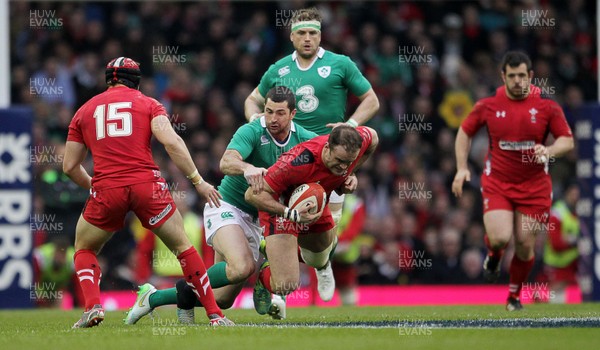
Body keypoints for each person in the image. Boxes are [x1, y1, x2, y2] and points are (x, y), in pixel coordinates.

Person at [63, 57, 232, 327]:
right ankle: (215, 315)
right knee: (183, 248)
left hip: (107, 187)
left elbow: (70, 166)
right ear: (137, 81)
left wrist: (94, 185)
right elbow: (172, 142)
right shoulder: (149, 104)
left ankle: (93, 306)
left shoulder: (84, 111)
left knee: (84, 247)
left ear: (108, 79)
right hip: (147, 186)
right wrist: (197, 180)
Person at [124, 86, 317, 323]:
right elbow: (226, 162)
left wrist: (347, 177)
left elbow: (328, 160)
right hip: (226, 206)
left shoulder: (305, 140)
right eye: (268, 111)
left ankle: (152, 299)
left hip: (256, 219)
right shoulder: (252, 131)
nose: (272, 119)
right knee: (242, 266)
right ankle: (191, 286)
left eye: (279, 113)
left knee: (222, 299)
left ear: (293, 114)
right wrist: (247, 168)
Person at [244, 8, 379, 301]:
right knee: (285, 221)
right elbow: (252, 100)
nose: (308, 38)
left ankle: (322, 264)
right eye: (302, 33)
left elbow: (372, 100)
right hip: (289, 160)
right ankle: (277, 284)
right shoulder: (278, 69)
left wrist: (351, 125)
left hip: (330, 163)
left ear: (321, 35)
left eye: (314, 33)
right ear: (292, 36)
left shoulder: (340, 64)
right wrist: (258, 125)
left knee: (324, 239)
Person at [452, 51, 574, 311]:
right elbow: (464, 132)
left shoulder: (546, 107)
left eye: (522, 76)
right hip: (498, 182)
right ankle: (494, 257)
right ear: (503, 76)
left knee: (525, 245)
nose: (518, 81)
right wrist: (462, 168)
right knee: (499, 239)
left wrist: (549, 151)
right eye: (512, 76)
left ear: (530, 76)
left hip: (535, 187)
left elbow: (567, 139)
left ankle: (513, 297)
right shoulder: (488, 105)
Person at [244, 125, 378, 312]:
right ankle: (263, 278)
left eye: (349, 162)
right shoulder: (295, 162)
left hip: (313, 199)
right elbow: (252, 195)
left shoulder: (358, 146)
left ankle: (314, 263)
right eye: (339, 160)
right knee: (286, 284)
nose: (343, 166)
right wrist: (290, 213)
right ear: (327, 148)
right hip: (280, 206)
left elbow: (374, 136)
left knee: (319, 257)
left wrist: (352, 172)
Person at [543, 182, 581, 303]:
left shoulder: (583, 212)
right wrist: (576, 241)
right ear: (567, 193)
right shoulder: (557, 213)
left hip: (575, 262)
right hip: (557, 263)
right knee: (556, 293)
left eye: (578, 194)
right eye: (573, 193)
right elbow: (556, 244)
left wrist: (570, 239)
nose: (576, 197)